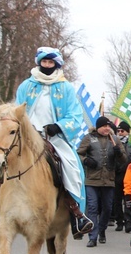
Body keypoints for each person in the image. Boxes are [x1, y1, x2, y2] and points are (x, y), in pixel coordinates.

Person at [15, 47, 93, 239]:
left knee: (72, 167)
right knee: (3, 161)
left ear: (56, 64)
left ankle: (76, 212)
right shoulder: (26, 85)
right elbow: (16, 111)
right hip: (27, 136)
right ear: (39, 63)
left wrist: (58, 126)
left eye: (51, 63)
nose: (47, 65)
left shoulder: (66, 87)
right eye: (44, 62)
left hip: (54, 137)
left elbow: (75, 115)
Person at [77, 116, 126, 247]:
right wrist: (86, 161)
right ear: (98, 127)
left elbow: (124, 160)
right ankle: (92, 237)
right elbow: (79, 154)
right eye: (104, 126)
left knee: (107, 208)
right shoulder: (89, 138)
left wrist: (119, 154)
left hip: (108, 180)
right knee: (92, 207)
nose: (107, 128)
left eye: (109, 126)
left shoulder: (114, 140)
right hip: (92, 180)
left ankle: (102, 229)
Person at [113, 121, 131, 232]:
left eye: (122, 131)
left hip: (129, 174)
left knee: (128, 199)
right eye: (118, 131)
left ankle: (129, 221)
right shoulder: (114, 142)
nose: (120, 133)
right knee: (117, 200)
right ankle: (119, 221)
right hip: (117, 174)